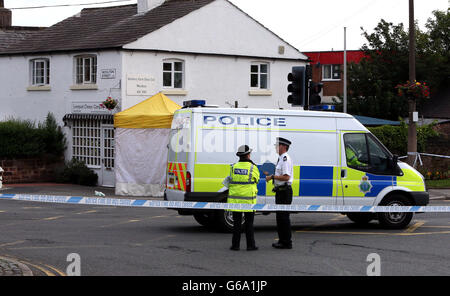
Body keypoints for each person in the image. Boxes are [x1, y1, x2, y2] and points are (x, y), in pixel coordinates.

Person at [223, 145, 260, 251]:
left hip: (235, 200)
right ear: (248, 155)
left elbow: (230, 181)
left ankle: (235, 245)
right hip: (249, 200)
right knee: (249, 223)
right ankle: (250, 245)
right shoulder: (253, 168)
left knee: (237, 224)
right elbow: (256, 180)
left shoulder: (233, 167)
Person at [265, 137, 293, 249]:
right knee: (280, 218)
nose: (276, 148)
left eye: (278, 145)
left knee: (283, 218)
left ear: (284, 146)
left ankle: (286, 242)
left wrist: (272, 176)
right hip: (281, 191)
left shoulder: (285, 158)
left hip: (284, 192)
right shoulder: (281, 158)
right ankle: (282, 240)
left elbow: (286, 177)